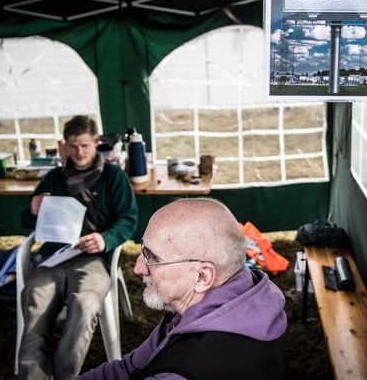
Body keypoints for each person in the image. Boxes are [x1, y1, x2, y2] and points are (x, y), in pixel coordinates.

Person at [77, 198, 288, 380]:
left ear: (202, 276)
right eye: (144, 250)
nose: (138, 267)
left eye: (152, 257)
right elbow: (128, 368)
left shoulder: (181, 372)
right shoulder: (238, 296)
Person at [18, 115, 139, 380]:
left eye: (84, 145)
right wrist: (32, 208)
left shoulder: (113, 176)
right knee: (35, 302)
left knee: (85, 305)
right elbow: (26, 222)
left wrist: (105, 239)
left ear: (96, 142)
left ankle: (65, 375)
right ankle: (33, 376)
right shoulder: (53, 178)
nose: (79, 152)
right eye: (73, 146)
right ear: (65, 146)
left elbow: (129, 218)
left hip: (92, 259)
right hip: (54, 257)